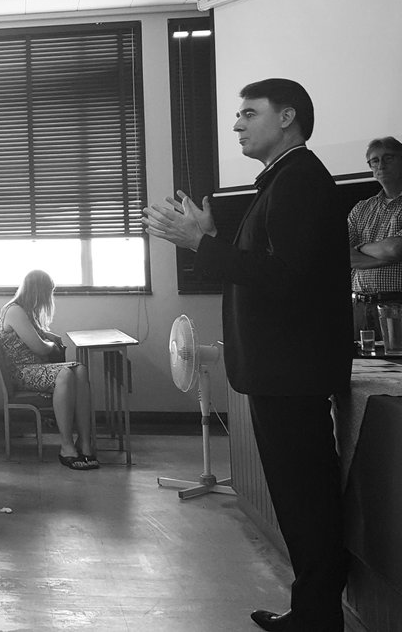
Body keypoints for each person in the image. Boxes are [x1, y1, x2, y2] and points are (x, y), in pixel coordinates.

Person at [143, 78, 351, 632]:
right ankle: (313, 610)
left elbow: (286, 278)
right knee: (297, 499)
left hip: (291, 371)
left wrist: (201, 246)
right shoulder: (280, 181)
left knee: (307, 500)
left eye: (247, 113)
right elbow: (269, 268)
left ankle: (318, 617)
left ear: (287, 118)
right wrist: (216, 241)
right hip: (280, 370)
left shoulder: (300, 180)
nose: (235, 124)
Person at [0, 270, 98, 470]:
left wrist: (50, 337)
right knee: (66, 373)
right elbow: (40, 347)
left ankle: (85, 443)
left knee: (81, 370)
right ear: (38, 291)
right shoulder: (14, 311)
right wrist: (52, 345)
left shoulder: (26, 311)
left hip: (36, 368)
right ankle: (67, 446)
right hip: (22, 372)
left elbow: (40, 334)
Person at [348, 136, 402, 338]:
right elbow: (338, 255)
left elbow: (396, 249)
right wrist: (384, 256)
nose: (381, 165)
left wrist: (360, 247)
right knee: (362, 370)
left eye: (388, 158)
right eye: (375, 160)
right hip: (360, 308)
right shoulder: (361, 208)